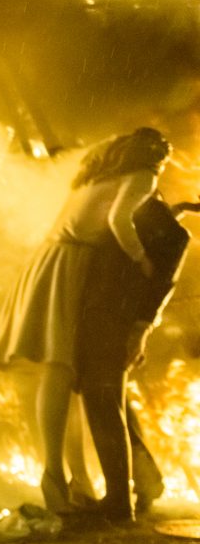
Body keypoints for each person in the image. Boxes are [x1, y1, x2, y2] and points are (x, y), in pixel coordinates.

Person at [0, 127, 171, 514]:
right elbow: (122, 220)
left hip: (50, 258)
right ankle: (56, 481)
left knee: (66, 375)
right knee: (61, 368)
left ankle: (75, 481)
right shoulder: (143, 174)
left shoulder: (96, 175)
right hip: (69, 265)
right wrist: (142, 258)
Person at [73, 189, 194, 522]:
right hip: (105, 315)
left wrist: (140, 331)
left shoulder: (170, 231)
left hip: (114, 319)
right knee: (109, 399)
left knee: (104, 398)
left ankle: (118, 502)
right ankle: (145, 479)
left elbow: (161, 285)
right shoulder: (150, 212)